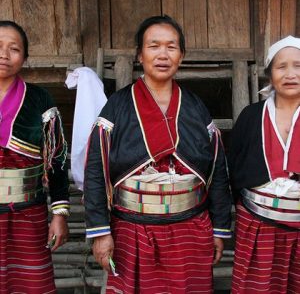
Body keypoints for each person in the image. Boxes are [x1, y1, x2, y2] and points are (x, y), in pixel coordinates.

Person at [84, 15, 232, 293]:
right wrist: (101, 232)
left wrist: (220, 228)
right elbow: (95, 169)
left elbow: (217, 170)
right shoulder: (117, 106)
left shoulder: (195, 107)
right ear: (140, 54)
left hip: (190, 229)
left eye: (171, 47)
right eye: (153, 46)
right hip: (131, 231)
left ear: (181, 55)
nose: (163, 54)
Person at [0, 21, 69, 293]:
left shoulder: (39, 99)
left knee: (30, 285)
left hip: (28, 215)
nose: (4, 54)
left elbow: (57, 160)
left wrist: (60, 213)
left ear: (25, 58)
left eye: (14, 49)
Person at [229, 35, 300, 293]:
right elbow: (234, 167)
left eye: (298, 66)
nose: (290, 73)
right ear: (270, 75)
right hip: (258, 226)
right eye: (282, 67)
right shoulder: (251, 116)